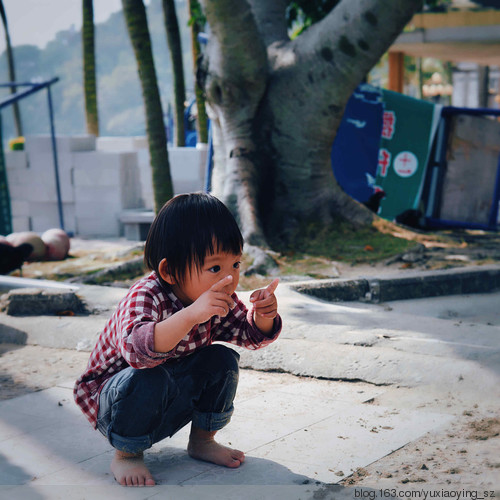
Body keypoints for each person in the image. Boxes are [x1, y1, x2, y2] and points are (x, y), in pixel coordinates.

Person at [73, 192, 282, 487]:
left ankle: (202, 440)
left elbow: (248, 335)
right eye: (215, 268)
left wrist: (264, 314)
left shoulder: (215, 297)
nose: (230, 278)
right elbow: (137, 352)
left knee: (221, 359)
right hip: (115, 403)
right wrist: (190, 316)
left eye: (235, 264)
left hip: (166, 395)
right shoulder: (145, 295)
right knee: (148, 376)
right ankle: (126, 454)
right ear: (169, 271)